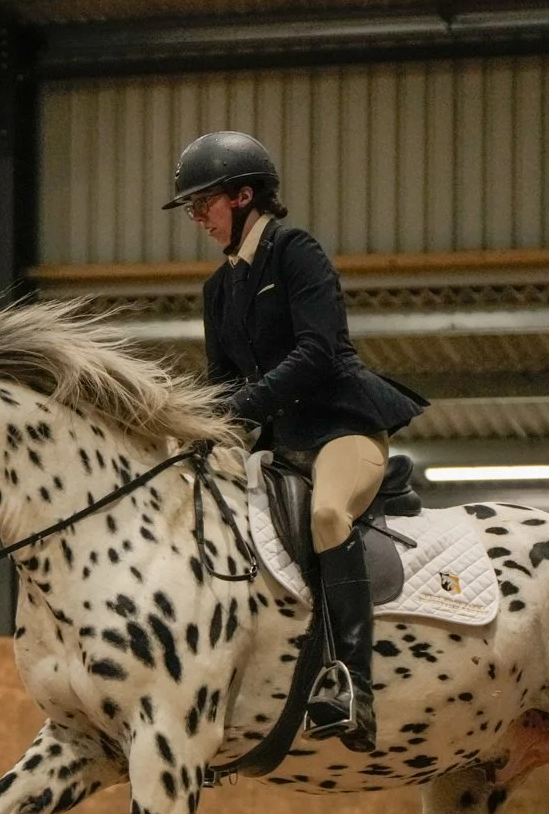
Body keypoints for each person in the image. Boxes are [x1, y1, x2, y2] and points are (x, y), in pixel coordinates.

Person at [165, 131, 427, 753]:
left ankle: (354, 685)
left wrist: (244, 408)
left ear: (244, 195)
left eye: (205, 202)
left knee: (329, 516)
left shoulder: (295, 252)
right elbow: (222, 381)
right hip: (279, 444)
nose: (198, 217)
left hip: (342, 428)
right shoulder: (218, 288)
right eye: (194, 207)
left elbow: (318, 352)